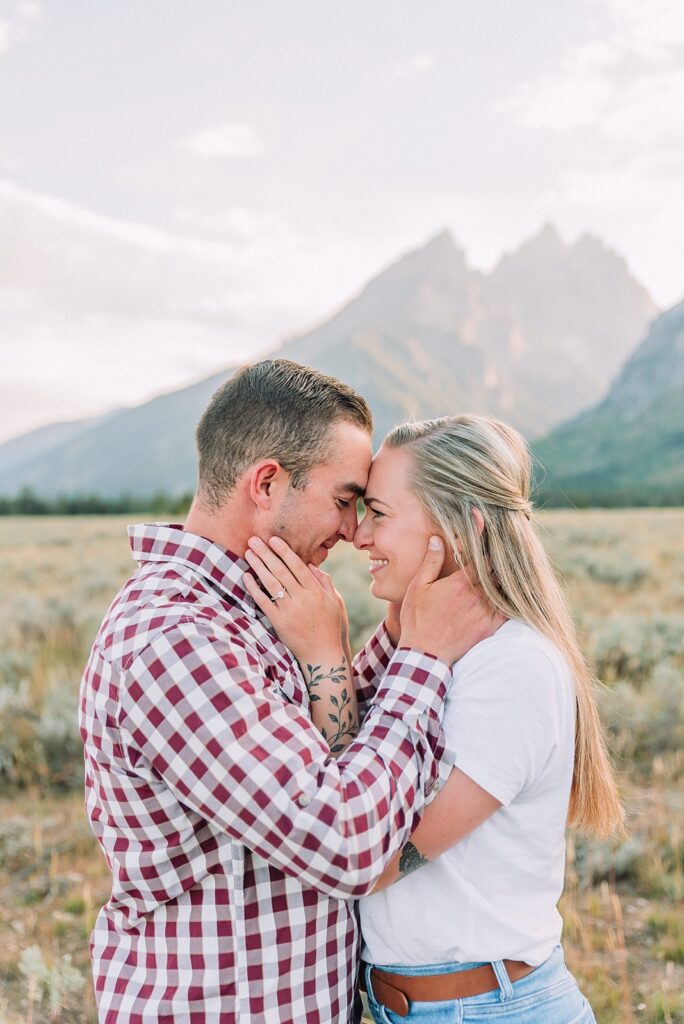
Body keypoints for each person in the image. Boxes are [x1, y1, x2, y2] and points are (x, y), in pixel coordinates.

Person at [79, 360, 499, 1024]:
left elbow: (322, 754)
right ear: (267, 483)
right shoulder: (174, 640)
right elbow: (345, 839)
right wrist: (420, 656)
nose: (353, 529)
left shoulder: (253, 603)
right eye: (342, 499)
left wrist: (392, 633)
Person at [247, 414, 623, 1024]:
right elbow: (350, 772)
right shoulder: (430, 651)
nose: (359, 536)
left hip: (489, 1011)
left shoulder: (513, 666)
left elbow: (369, 856)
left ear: (461, 528)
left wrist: (324, 657)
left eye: (379, 512)